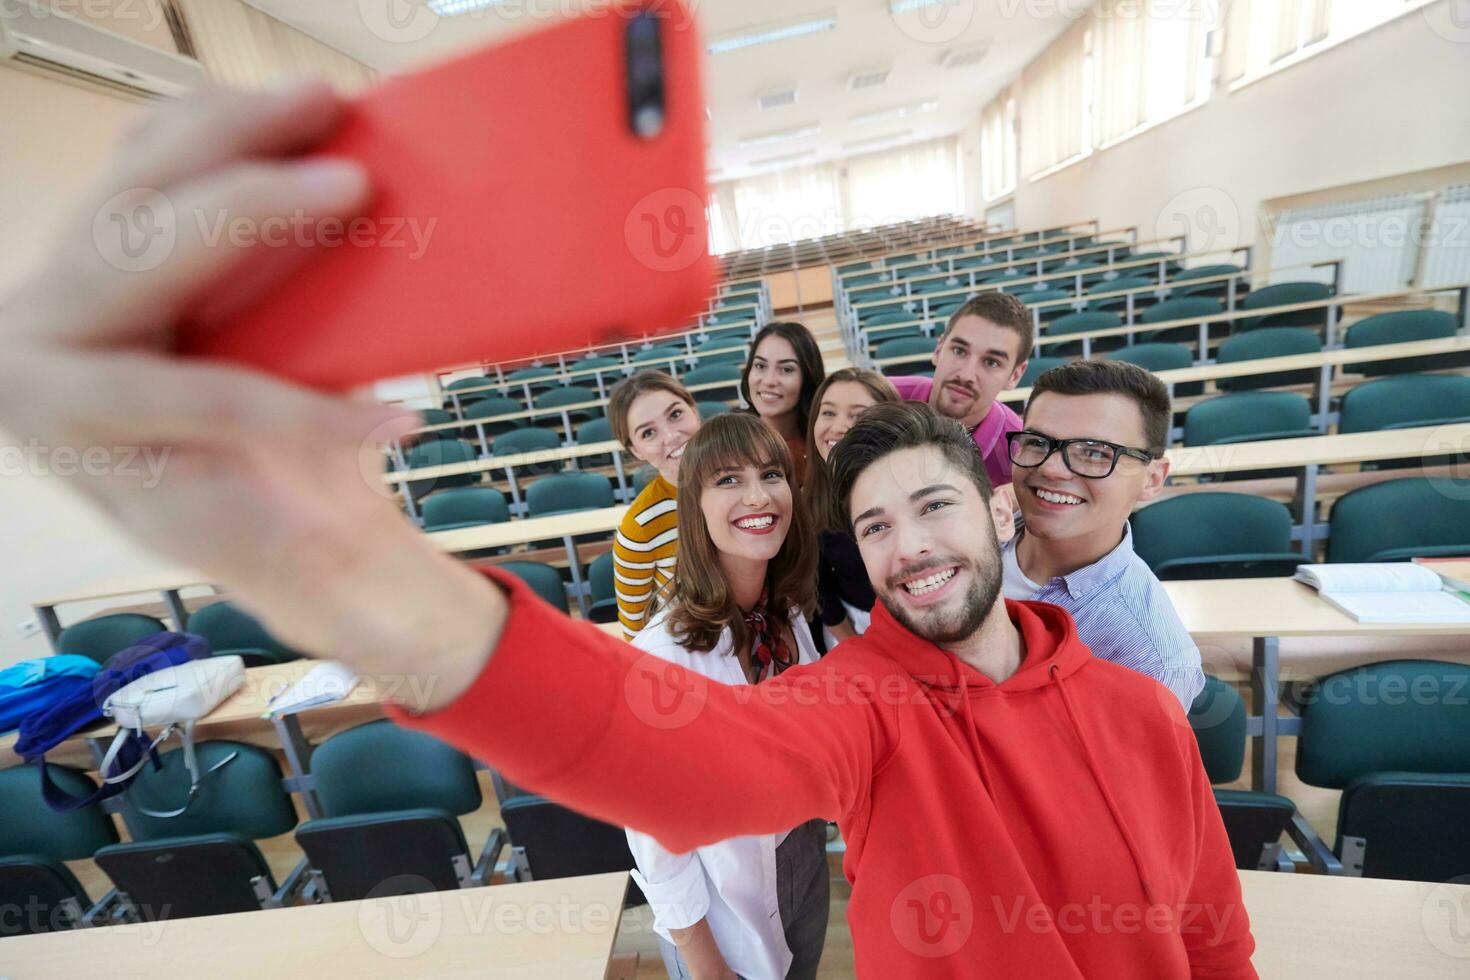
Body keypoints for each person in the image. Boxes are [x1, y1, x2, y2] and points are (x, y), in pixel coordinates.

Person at [4, 86, 1254, 979]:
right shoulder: (859, 704)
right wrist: (331, 565)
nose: (908, 544)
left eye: (931, 505)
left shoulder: (1140, 707)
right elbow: (653, 753)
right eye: (873, 526)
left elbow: (1212, 933)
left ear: (994, 503)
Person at [626, 413, 828, 980]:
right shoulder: (660, 657)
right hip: (719, 907)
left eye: (771, 473)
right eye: (728, 480)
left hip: (801, 853)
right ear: (694, 507)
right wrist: (707, 966)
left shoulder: (785, 612)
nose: (759, 495)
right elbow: (657, 845)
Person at [1003, 359, 1205, 709]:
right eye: (1037, 442)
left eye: (1095, 453)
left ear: (1153, 478)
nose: (1050, 468)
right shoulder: (972, 538)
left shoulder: (1152, 662)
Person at [886, 292, 1030, 490]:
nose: (966, 375)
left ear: (1015, 375)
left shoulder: (1021, 456)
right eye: (959, 351)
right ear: (939, 350)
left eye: (991, 362)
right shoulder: (881, 398)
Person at [802, 368, 900, 643]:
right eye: (828, 412)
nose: (838, 426)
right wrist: (853, 644)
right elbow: (819, 587)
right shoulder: (807, 500)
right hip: (852, 629)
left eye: (858, 416)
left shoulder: (913, 492)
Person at [607, 371, 702, 639]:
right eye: (648, 433)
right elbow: (636, 634)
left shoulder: (748, 480)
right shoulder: (639, 527)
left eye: (675, 414)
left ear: (693, 410)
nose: (671, 436)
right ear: (636, 450)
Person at [739, 322, 825, 489]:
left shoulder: (824, 444)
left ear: (807, 378)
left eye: (786, 369)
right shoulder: (730, 441)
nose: (769, 380)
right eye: (760, 366)